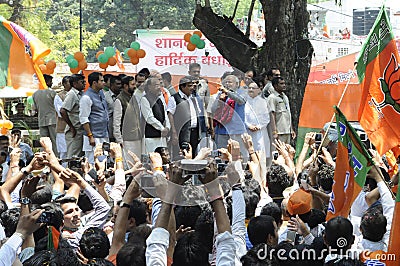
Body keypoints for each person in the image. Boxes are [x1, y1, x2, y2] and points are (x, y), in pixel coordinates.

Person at [167, 76, 206, 158]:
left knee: (194, 155)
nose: (192, 88)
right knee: (181, 155)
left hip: (195, 132)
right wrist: (173, 132)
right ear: (182, 86)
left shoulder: (193, 98)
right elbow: (170, 115)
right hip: (182, 133)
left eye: (193, 85)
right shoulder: (174, 98)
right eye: (189, 86)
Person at [212, 74, 247, 158]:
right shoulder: (221, 93)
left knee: (237, 155)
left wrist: (228, 92)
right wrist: (219, 99)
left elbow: (241, 101)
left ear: (237, 84)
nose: (227, 84)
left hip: (236, 130)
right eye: (226, 82)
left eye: (230, 82)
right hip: (222, 129)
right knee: (221, 154)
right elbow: (212, 109)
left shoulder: (242, 93)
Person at [79, 72, 109, 164]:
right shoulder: (86, 97)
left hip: (103, 134)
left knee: (104, 162)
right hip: (93, 136)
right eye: (101, 81)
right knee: (92, 162)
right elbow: (84, 118)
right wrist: (90, 136)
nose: (104, 83)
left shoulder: (101, 93)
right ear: (94, 83)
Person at [140, 77, 170, 153]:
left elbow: (165, 115)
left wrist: (167, 127)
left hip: (162, 136)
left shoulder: (159, 99)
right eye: (156, 85)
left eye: (160, 85)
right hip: (151, 137)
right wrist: (162, 128)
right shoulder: (145, 99)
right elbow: (149, 118)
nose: (159, 87)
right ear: (149, 87)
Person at [60, 74, 85, 159]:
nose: (84, 84)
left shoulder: (81, 94)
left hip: (81, 129)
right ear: (75, 84)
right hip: (75, 129)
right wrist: (71, 127)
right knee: (73, 155)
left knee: (79, 155)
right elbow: (63, 111)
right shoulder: (72, 94)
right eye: (82, 82)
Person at [32, 74, 58, 155]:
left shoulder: (35, 94)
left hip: (41, 120)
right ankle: (56, 157)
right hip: (53, 120)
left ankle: (44, 157)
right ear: (46, 82)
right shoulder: (52, 93)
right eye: (50, 81)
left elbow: (34, 109)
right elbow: (58, 107)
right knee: (54, 141)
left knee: (43, 142)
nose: (52, 83)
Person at [245, 82, 271, 158]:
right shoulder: (244, 102)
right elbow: (243, 116)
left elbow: (266, 118)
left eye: (253, 88)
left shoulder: (263, 102)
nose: (251, 90)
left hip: (260, 132)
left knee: (261, 153)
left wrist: (259, 126)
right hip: (248, 131)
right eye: (249, 88)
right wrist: (249, 125)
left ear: (258, 90)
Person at [267, 77, 296, 144]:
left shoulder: (285, 97)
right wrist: (274, 131)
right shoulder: (272, 97)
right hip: (279, 131)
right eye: (281, 84)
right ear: (275, 86)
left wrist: (291, 129)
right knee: (279, 151)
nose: (284, 85)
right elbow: (272, 114)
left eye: (284, 83)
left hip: (287, 130)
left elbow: (288, 113)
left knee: (287, 152)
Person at [54, 75, 71, 160]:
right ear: (64, 84)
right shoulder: (59, 96)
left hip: (73, 128)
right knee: (63, 152)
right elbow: (61, 112)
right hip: (63, 128)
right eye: (69, 82)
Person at [104, 75, 122, 142]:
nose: (120, 86)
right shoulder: (105, 96)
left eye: (120, 84)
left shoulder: (122, 96)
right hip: (108, 129)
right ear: (111, 85)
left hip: (120, 130)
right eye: (117, 84)